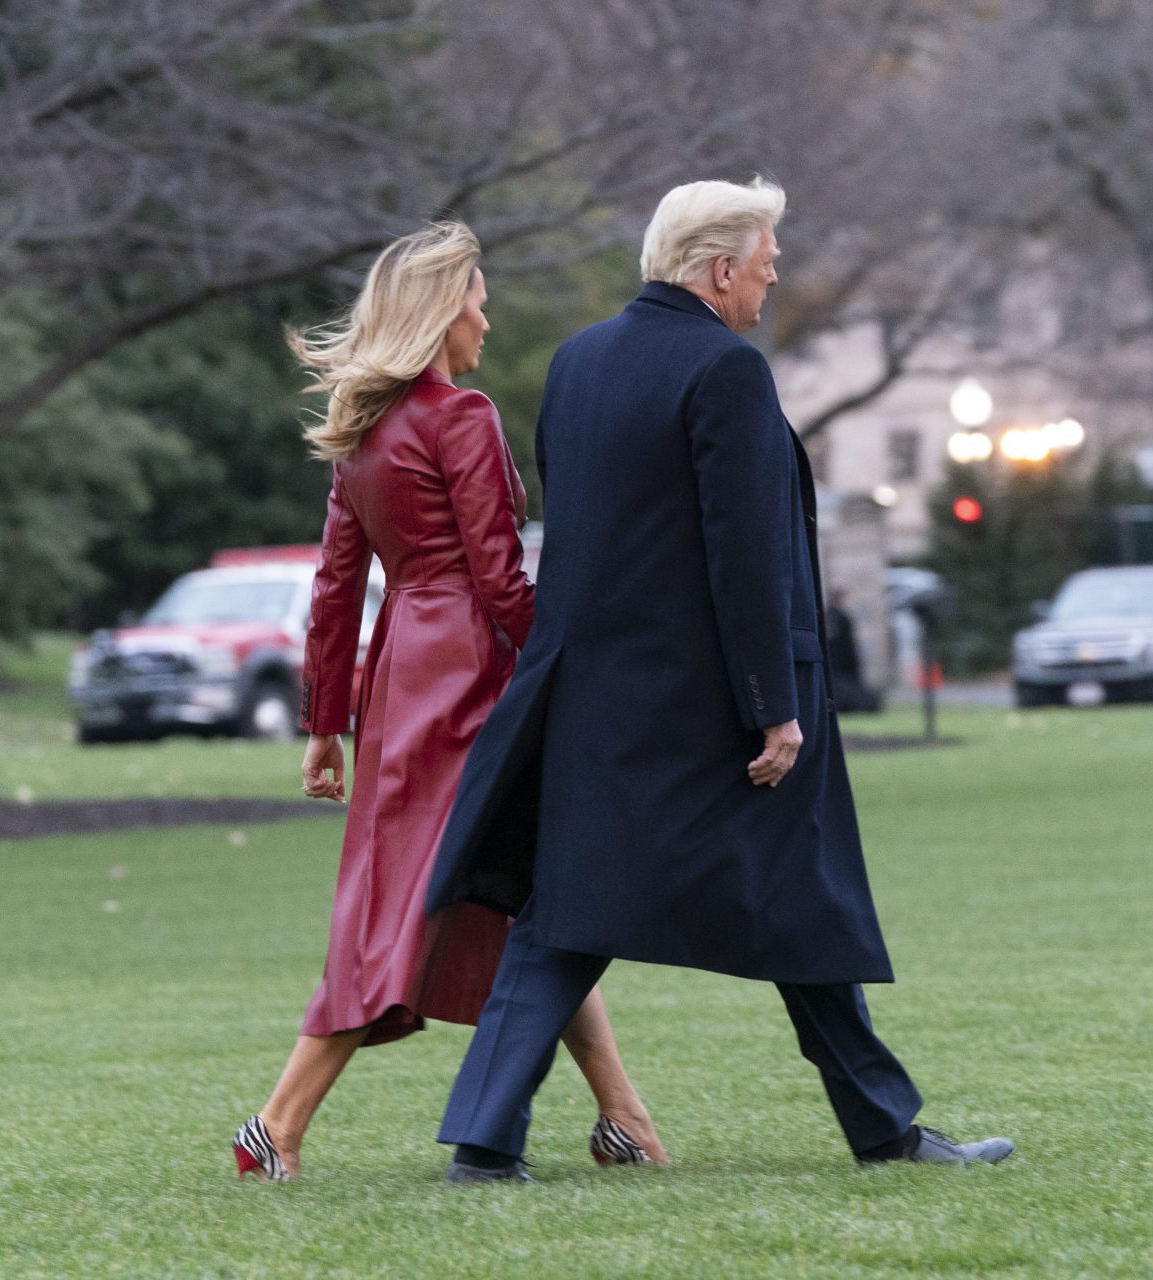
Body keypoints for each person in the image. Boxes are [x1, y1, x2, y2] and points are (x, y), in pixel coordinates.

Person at [425, 179, 1013, 1182]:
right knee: (793, 895)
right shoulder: (727, 370)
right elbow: (744, 553)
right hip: (710, 712)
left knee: (573, 914)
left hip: (595, 700)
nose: (775, 277)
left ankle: (484, 1144)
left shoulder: (578, 360)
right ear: (720, 268)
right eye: (767, 260)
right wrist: (771, 706)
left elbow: (583, 538)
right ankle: (886, 1131)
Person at [230, 221, 666, 1182]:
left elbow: (336, 587)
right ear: (441, 313)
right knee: (425, 902)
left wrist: (325, 724)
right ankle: (275, 1125)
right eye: (477, 300)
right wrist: (573, 665)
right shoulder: (460, 415)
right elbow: (501, 581)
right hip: (468, 672)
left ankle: (624, 1117)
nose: (486, 319)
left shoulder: (362, 429)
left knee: (520, 896)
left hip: (402, 675)